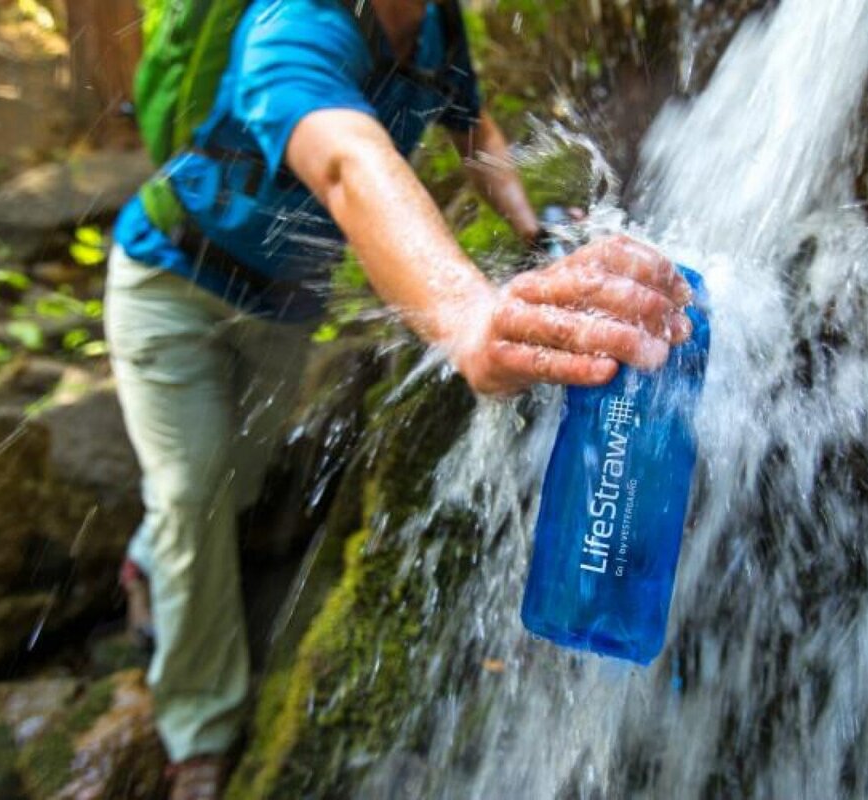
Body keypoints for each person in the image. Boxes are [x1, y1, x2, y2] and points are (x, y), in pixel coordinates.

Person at [105, 0, 693, 796]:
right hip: (169, 287)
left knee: (229, 481)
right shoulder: (292, 27)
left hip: (281, 312)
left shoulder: (433, 26)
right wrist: (468, 315)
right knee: (191, 490)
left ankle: (149, 564)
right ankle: (199, 734)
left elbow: (473, 127)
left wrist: (533, 225)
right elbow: (348, 160)